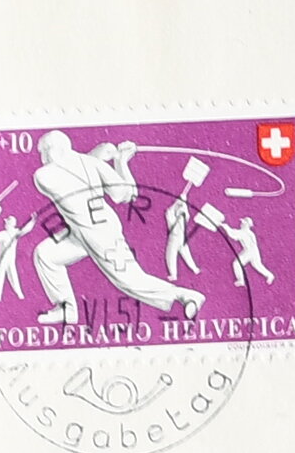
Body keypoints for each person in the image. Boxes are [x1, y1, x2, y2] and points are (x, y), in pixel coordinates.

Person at [28, 128, 200, 325]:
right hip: (82, 231)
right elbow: (121, 193)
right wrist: (100, 159)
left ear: (54, 149)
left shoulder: (48, 173)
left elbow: (125, 194)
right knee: (45, 254)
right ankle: (67, 309)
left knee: (129, 280)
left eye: (43, 151)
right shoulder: (76, 167)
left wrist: (120, 161)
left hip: (99, 233)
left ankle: (186, 296)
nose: (42, 158)